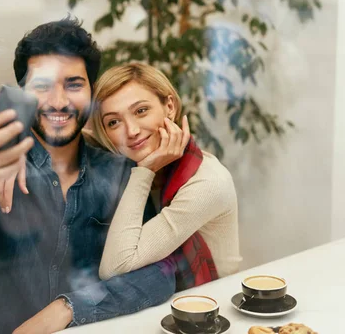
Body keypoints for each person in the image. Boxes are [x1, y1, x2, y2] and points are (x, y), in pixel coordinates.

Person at [0, 17, 177, 334]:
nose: (58, 101)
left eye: (73, 84)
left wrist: (67, 308)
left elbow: (159, 273)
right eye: (42, 86)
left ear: (91, 92)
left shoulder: (119, 172)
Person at [90, 62, 241, 289]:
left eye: (141, 111)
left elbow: (115, 267)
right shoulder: (126, 165)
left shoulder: (207, 182)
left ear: (169, 106)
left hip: (213, 304)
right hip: (164, 305)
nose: (131, 131)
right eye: (114, 122)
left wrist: (145, 171)